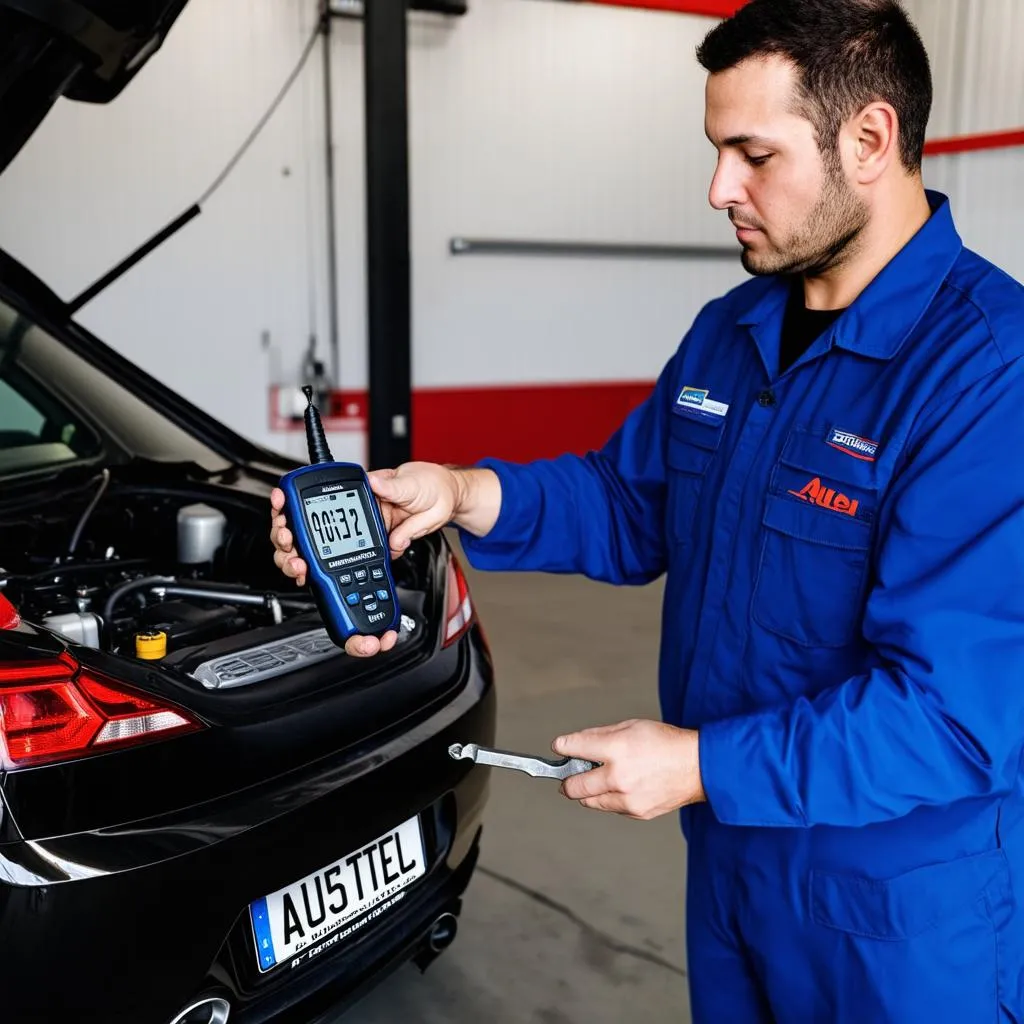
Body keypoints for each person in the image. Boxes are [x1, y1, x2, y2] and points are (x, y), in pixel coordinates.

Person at [270, 0, 1024, 1018]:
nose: (719, 190)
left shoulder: (986, 373)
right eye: (717, 152)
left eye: (752, 154)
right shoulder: (734, 328)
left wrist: (701, 761)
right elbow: (632, 500)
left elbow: (949, 719)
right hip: (730, 860)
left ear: (870, 139)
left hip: (893, 908)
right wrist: (458, 493)